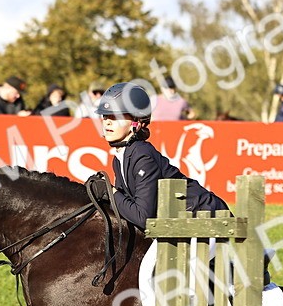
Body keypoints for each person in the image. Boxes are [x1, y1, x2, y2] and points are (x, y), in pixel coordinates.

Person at [84, 81, 229, 231]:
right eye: (105, 116)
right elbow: (125, 207)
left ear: (137, 122)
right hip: (180, 227)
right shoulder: (120, 157)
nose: (107, 122)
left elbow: (143, 217)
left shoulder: (142, 155)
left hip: (209, 220)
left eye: (116, 116)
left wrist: (109, 191)